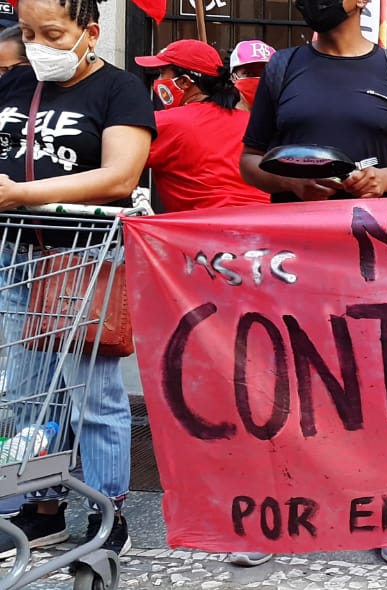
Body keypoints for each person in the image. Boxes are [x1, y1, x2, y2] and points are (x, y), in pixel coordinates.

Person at [238, 0, 387, 566]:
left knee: (380, 382)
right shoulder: (283, 69)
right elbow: (250, 161)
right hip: (294, 253)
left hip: (373, 256)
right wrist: (293, 185)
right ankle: (276, 514)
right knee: (285, 377)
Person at [0, 0, 156, 558]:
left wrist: (21, 193)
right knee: (26, 395)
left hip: (84, 256)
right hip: (15, 253)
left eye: (53, 33)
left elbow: (120, 175)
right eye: (27, 32)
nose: (38, 44)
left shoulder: (121, 90)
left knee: (94, 393)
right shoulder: (15, 86)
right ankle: (38, 505)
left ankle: (107, 507)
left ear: (90, 32)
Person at [135, 39, 268, 212]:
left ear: (184, 82)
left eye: (161, 73)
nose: (158, 81)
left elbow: (117, 166)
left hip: (205, 230)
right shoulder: (253, 122)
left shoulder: (166, 122)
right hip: (269, 225)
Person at [228, 39, 274, 110]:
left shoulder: (287, 117)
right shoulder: (220, 117)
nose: (258, 79)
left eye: (264, 73)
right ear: (233, 77)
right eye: (249, 73)